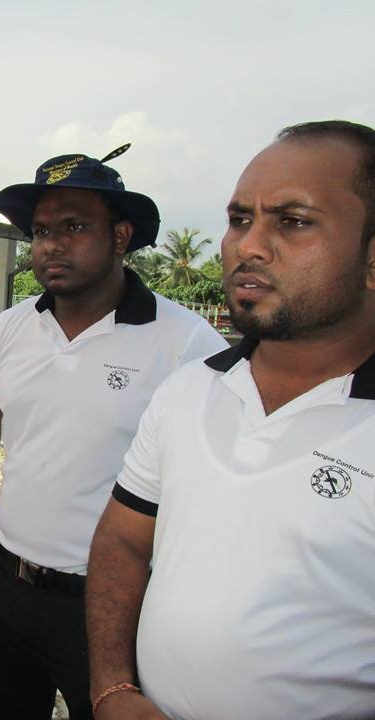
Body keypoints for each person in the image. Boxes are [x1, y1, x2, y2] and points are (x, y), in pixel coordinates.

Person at [87, 121, 375, 720]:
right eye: (240, 219)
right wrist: (112, 687)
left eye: (293, 221)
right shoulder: (188, 391)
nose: (249, 246)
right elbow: (122, 541)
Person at [0, 146, 228, 720]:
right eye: (41, 230)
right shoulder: (11, 328)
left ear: (121, 236)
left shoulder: (186, 342)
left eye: (75, 227)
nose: (52, 245)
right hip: (2, 579)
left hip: (109, 605)